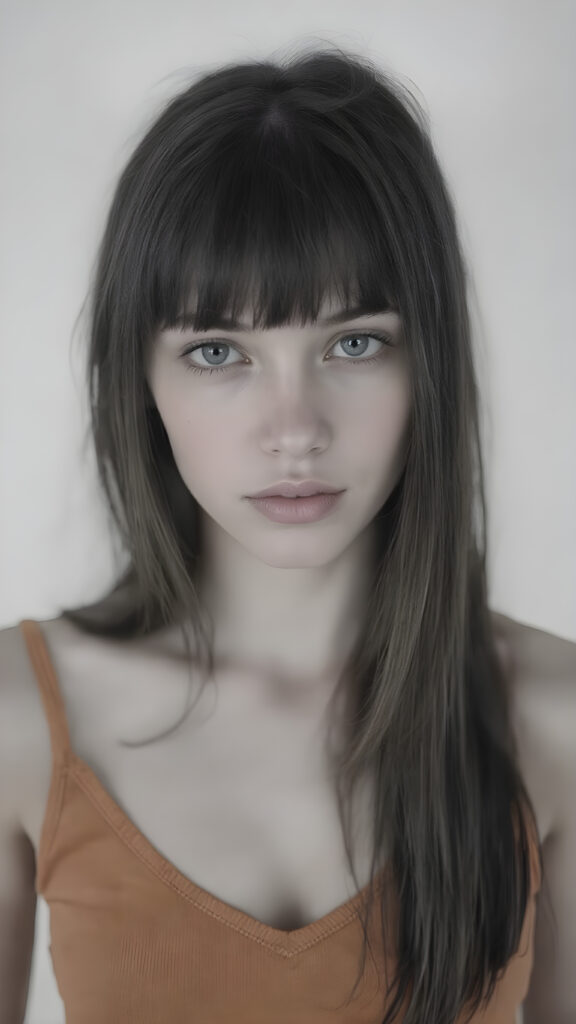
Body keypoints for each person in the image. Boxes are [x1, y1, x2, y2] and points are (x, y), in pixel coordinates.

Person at [1, 44, 574, 1024]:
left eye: (355, 342)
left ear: (428, 360)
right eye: (218, 351)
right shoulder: (18, 720)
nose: (295, 428)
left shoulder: (556, 719)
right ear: (140, 381)